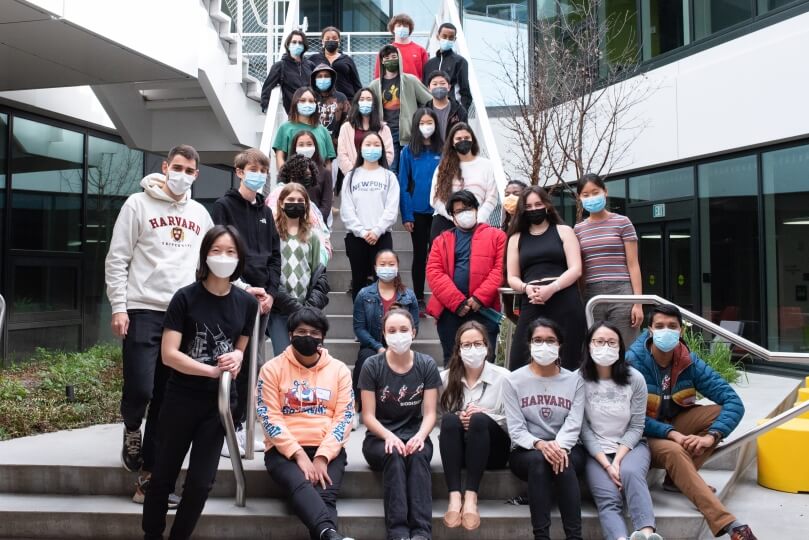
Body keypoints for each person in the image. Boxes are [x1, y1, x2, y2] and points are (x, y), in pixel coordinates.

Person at [105, 144, 213, 505]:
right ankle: (132, 426)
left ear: (197, 174)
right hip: (142, 309)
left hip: (183, 315)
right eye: (177, 167)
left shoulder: (200, 213)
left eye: (189, 169)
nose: (182, 174)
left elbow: (212, 261)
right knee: (141, 388)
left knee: (168, 402)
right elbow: (118, 258)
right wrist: (119, 308)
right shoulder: (137, 205)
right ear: (166, 167)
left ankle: (149, 478)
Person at [142, 225, 258, 540]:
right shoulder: (185, 298)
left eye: (231, 252)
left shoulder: (246, 303)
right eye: (217, 250)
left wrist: (237, 358)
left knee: (201, 482)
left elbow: (240, 346)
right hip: (182, 398)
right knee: (163, 475)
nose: (224, 257)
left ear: (240, 258)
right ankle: (152, 534)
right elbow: (169, 355)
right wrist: (210, 371)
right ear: (205, 255)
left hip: (218, 406)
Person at [626, 305, 756, 540]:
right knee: (675, 450)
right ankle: (730, 524)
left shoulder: (688, 361)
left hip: (675, 422)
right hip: (644, 434)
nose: (667, 331)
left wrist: (711, 436)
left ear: (681, 332)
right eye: (660, 326)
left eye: (672, 326)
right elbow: (629, 416)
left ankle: (677, 481)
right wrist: (670, 433)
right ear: (650, 330)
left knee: (718, 415)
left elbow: (733, 402)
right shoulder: (633, 362)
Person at [257, 307, 356, 540]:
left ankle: (328, 534)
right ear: (290, 335)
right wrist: (299, 455)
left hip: (328, 448)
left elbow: (344, 417)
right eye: (301, 332)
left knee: (324, 495)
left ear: (322, 337)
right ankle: (331, 534)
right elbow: (269, 417)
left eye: (314, 332)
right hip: (283, 452)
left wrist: (322, 456)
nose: (308, 337)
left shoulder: (339, 370)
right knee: (300, 485)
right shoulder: (272, 369)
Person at [212, 148, 281, 457]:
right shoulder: (223, 207)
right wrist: (242, 286)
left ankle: (243, 426)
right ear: (239, 171)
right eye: (253, 169)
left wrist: (271, 293)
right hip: (234, 294)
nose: (259, 175)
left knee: (252, 364)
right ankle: (228, 429)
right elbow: (218, 250)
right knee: (231, 361)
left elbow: (275, 257)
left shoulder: (266, 213)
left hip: (262, 300)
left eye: (263, 170)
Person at [359, 308, 441, 540]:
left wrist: (420, 436)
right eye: (392, 330)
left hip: (416, 434)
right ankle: (398, 533)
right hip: (379, 439)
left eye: (404, 329)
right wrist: (388, 437)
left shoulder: (426, 365)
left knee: (417, 454)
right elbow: (368, 416)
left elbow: (430, 413)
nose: (398, 335)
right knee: (394, 454)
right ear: (383, 334)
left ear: (413, 332)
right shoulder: (372, 366)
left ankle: (421, 533)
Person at [502, 317, 587, 540]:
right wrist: (540, 444)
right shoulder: (513, 381)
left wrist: (557, 447)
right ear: (529, 344)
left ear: (560, 345)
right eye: (538, 340)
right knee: (540, 461)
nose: (544, 345)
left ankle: (574, 537)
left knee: (563, 461)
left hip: (568, 447)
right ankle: (541, 536)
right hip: (526, 451)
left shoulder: (575, 381)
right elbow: (516, 429)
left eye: (550, 340)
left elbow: (574, 423)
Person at [579, 321, 662, 540]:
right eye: (599, 341)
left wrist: (617, 461)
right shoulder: (577, 380)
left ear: (620, 347)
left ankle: (646, 534)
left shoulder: (635, 379)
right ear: (589, 345)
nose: (605, 346)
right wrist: (606, 464)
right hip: (595, 452)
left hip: (631, 446)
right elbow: (583, 429)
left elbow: (637, 426)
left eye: (611, 342)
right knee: (608, 498)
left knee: (631, 472)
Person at [439, 321, 510, 531]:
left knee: (479, 419)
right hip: (461, 452)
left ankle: (470, 497)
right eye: (466, 345)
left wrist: (486, 416)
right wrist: (459, 419)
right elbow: (434, 418)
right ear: (459, 350)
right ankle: (454, 497)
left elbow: (513, 422)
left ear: (487, 347)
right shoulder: (445, 379)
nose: (473, 350)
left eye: (477, 344)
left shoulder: (504, 378)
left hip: (494, 451)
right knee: (450, 419)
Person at [506, 185, 585, 371]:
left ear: (547, 205)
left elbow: (576, 269)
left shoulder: (564, 231)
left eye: (538, 204)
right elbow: (512, 276)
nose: (534, 209)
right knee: (519, 361)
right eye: (529, 206)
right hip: (532, 301)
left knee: (568, 361)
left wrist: (553, 287)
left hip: (565, 299)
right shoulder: (515, 238)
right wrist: (526, 288)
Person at [426, 190, 505, 365]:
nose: (464, 213)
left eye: (468, 208)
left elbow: (500, 269)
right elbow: (434, 272)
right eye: (459, 211)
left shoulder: (497, 236)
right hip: (450, 311)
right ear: (452, 216)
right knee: (452, 361)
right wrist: (457, 302)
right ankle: (453, 393)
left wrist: (479, 297)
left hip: (484, 309)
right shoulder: (442, 240)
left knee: (485, 360)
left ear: (477, 209)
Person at [575, 173, 643, 346]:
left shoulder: (623, 222)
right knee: (596, 347)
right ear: (579, 198)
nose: (591, 197)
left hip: (621, 291)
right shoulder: (578, 229)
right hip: (590, 293)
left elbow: (633, 264)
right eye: (586, 194)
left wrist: (638, 303)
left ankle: (629, 375)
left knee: (625, 347)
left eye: (595, 192)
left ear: (605, 192)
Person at [352, 249, 420, 414]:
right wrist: (379, 347)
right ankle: (355, 406)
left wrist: (401, 342)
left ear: (397, 267)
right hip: (373, 343)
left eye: (391, 264)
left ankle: (408, 406)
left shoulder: (408, 296)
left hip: (400, 342)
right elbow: (359, 328)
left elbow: (415, 326)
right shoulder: (364, 294)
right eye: (383, 264)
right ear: (375, 267)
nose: (387, 267)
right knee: (365, 357)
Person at [268, 183, 329, 356]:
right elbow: (268, 270)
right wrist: (288, 304)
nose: (295, 203)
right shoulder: (272, 233)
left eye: (300, 200)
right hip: (279, 309)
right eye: (291, 199)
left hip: (306, 308)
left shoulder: (313, 235)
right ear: (281, 203)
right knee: (283, 356)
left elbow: (319, 273)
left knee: (306, 356)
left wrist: (308, 308)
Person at [340, 131, 400, 299]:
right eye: (368, 144)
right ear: (360, 148)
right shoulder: (351, 177)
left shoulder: (389, 177)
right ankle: (360, 322)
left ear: (382, 149)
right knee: (358, 283)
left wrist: (376, 231)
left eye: (376, 145)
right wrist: (362, 232)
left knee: (383, 284)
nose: (372, 148)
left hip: (382, 237)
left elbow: (391, 209)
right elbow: (346, 209)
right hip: (356, 238)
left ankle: (383, 322)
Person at [398, 108, 443, 313]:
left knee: (439, 255)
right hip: (417, 212)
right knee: (419, 254)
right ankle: (418, 296)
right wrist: (406, 214)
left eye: (430, 122)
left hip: (439, 212)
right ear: (416, 125)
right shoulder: (407, 152)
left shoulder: (442, 150)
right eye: (422, 122)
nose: (426, 126)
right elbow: (403, 184)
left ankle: (441, 295)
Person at [369, 44, 432, 173]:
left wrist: (418, 119)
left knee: (411, 170)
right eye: (386, 58)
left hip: (409, 132)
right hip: (386, 132)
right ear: (381, 61)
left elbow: (428, 101)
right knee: (391, 169)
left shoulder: (410, 80)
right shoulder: (375, 85)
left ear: (399, 58)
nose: (391, 60)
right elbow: (367, 109)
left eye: (394, 56)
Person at [429, 122, 498, 240]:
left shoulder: (487, 166)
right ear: (452, 142)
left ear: (473, 139)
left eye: (466, 138)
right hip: (446, 223)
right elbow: (435, 199)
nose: (463, 141)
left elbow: (492, 198)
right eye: (459, 139)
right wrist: (456, 217)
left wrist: (476, 218)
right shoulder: (443, 167)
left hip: (477, 224)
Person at [336, 88, 395, 182]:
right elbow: (342, 154)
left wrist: (377, 172)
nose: (365, 102)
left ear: (374, 104)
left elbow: (389, 153)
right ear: (356, 103)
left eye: (369, 99)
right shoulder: (346, 127)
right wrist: (353, 174)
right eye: (362, 99)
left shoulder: (384, 129)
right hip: (353, 178)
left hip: (378, 179)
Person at [273, 87, 336, 170]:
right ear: (295, 102)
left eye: (311, 101)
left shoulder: (323, 131)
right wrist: (284, 179)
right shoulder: (285, 128)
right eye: (303, 100)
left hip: (319, 180)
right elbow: (280, 156)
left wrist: (327, 181)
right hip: (292, 180)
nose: (307, 104)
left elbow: (328, 162)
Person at [261, 29, 314, 113]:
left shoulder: (310, 65)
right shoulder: (280, 66)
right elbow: (267, 87)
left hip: (311, 110)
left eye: (300, 43)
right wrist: (265, 105)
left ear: (304, 46)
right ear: (288, 45)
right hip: (293, 113)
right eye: (294, 42)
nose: (297, 45)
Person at [284, 131, 334, 221]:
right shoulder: (287, 171)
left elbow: (326, 206)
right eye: (301, 145)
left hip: (317, 226)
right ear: (295, 148)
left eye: (309, 144)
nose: (305, 148)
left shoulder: (325, 173)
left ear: (315, 147)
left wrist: (312, 220)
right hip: (291, 223)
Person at [423, 22, 472, 110]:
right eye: (444, 36)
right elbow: (425, 89)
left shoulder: (460, 62)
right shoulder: (429, 64)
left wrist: (461, 112)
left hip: (453, 110)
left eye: (451, 37)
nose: (447, 39)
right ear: (438, 36)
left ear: (455, 39)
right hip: (432, 112)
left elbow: (465, 91)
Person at [308, 26, 363, 99]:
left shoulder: (347, 59)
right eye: (327, 39)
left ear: (339, 41)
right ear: (322, 41)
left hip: (346, 101)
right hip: (321, 101)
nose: (331, 40)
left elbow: (356, 84)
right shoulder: (314, 59)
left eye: (334, 38)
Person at [373, 13, 429, 80]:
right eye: (399, 26)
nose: (402, 28)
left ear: (409, 29)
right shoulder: (385, 51)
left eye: (405, 26)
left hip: (415, 89)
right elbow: (378, 76)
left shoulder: (420, 50)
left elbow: (426, 76)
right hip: (392, 89)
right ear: (393, 29)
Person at [310, 63, 350, 152]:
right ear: (314, 80)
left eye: (326, 76)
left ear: (332, 79)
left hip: (335, 148)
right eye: (319, 76)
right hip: (313, 146)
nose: (323, 79)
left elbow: (347, 122)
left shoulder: (341, 98)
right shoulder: (309, 97)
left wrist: (339, 140)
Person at [425, 70, 468, 139]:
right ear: (429, 88)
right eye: (435, 84)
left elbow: (465, 135)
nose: (438, 87)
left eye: (442, 83)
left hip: (452, 149)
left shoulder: (460, 111)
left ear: (449, 87)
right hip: (431, 149)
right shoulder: (423, 111)